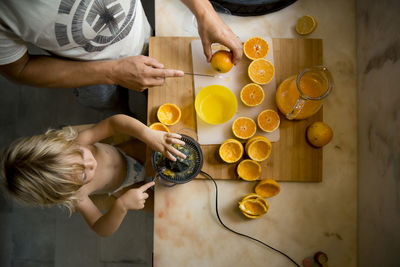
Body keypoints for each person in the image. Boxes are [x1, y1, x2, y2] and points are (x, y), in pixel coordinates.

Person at [0, 0, 243, 109]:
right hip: (87, 73)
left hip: (147, 36)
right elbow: (19, 68)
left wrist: (204, 13)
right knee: (108, 104)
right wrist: (112, 73)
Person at [0, 114, 186, 237]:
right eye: (83, 176)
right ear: (66, 192)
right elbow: (101, 228)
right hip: (126, 186)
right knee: (172, 207)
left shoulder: (79, 141)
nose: (91, 164)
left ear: (65, 145)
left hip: (127, 153)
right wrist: (121, 206)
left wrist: (147, 134)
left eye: (81, 155)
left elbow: (115, 123)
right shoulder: (77, 196)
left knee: (174, 144)